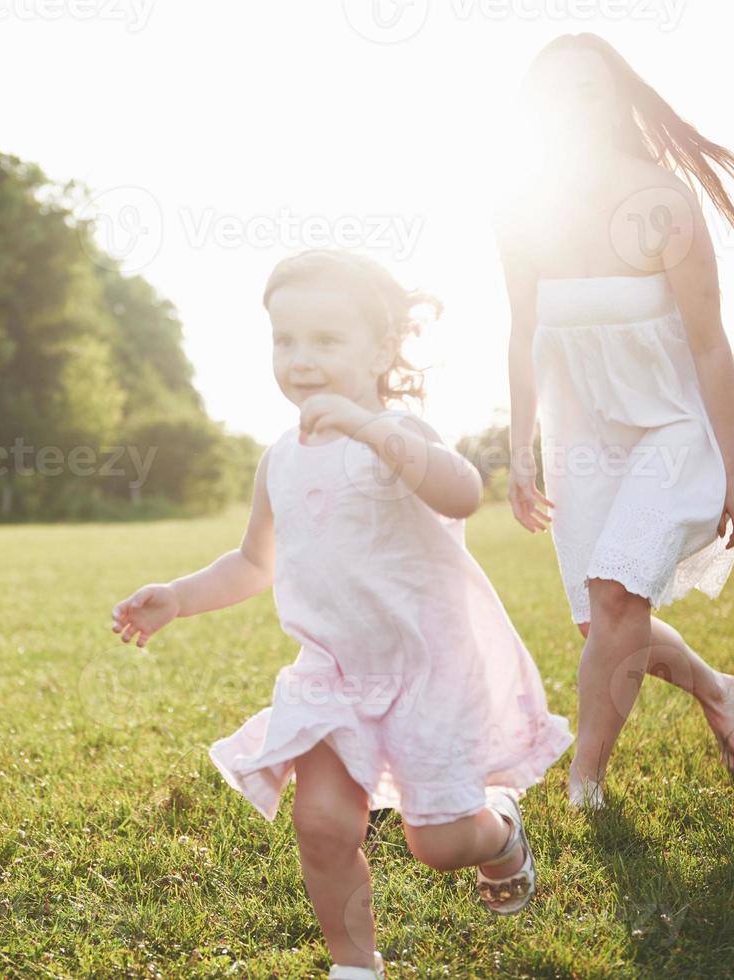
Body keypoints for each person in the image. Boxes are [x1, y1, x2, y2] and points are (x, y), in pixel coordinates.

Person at [111, 250, 573, 979]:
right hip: (331, 676)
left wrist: (370, 430)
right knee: (322, 824)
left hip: (428, 673)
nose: (300, 360)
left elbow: (460, 492)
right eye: (283, 340)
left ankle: (501, 831)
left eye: (325, 340)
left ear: (382, 350)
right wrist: (177, 597)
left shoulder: (398, 433)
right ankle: (354, 967)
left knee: (439, 845)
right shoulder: (279, 460)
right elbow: (253, 564)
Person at [497, 33, 734, 810]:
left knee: (616, 592)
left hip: (676, 425)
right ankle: (716, 688)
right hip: (584, 438)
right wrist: (520, 451)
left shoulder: (661, 202)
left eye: (587, 89)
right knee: (602, 622)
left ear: (613, 100)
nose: (570, 107)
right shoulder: (519, 208)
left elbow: (710, 343)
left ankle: (584, 788)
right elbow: (520, 334)